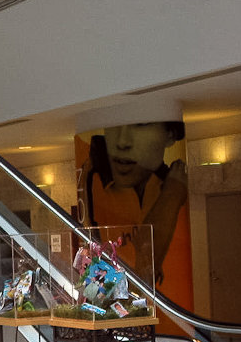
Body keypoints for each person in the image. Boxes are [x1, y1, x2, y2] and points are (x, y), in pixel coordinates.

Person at [77, 120, 192, 308]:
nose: (122, 142)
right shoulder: (95, 176)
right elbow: (140, 276)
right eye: (114, 124)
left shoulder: (172, 180)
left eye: (141, 125)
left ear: (170, 135)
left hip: (156, 316)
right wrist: (170, 198)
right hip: (120, 310)